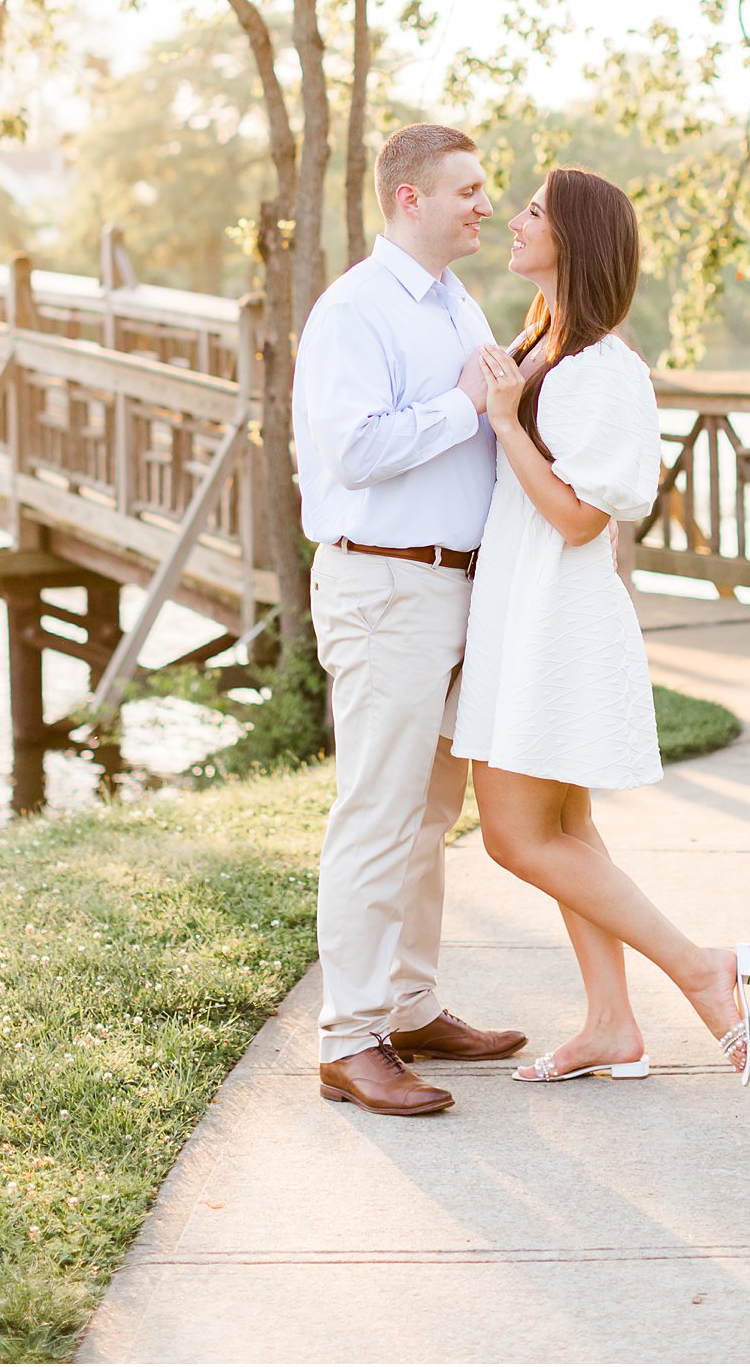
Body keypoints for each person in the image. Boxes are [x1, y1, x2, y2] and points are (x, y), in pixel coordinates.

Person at [451, 166, 750, 1086]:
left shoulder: (601, 369)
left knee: (514, 836)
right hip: (523, 606)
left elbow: (583, 517)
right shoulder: (544, 343)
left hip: (556, 617)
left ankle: (702, 968)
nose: (513, 218)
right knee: (566, 829)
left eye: (533, 211)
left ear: (573, 239)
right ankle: (612, 1024)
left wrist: (505, 421)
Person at [291, 122, 528, 1118]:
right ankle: (350, 1040)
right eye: (466, 190)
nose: (484, 204)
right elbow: (354, 450)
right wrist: (465, 404)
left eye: (484, 190)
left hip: (449, 588)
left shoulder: (454, 300)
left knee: (430, 815)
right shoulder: (355, 311)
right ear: (408, 200)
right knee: (377, 813)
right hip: (384, 588)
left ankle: (411, 1006)